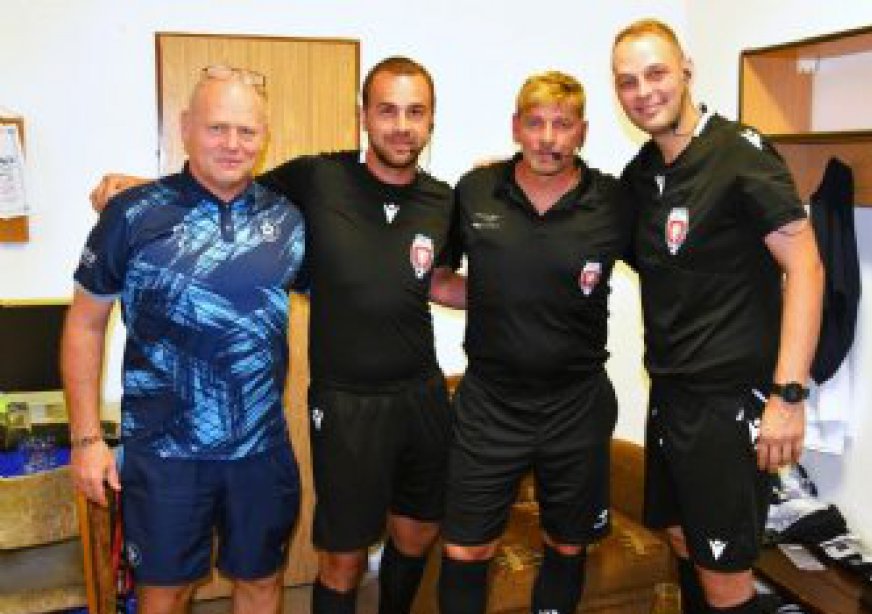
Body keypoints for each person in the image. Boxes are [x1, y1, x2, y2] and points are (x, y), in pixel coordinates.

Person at [89, 56, 457, 614]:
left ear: (431, 120)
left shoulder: (445, 198)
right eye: (387, 111)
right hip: (338, 404)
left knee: (416, 533)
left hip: (416, 395)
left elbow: (440, 279)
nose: (401, 125)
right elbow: (226, 183)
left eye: (415, 112)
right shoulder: (317, 177)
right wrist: (142, 189)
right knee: (341, 557)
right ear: (362, 116)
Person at [63, 66, 308, 614]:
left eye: (247, 131)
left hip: (261, 450)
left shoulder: (288, 219)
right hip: (163, 454)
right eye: (217, 128)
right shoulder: (132, 214)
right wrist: (86, 440)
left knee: (262, 582)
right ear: (185, 128)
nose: (232, 143)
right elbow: (84, 324)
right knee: (164, 593)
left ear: (264, 136)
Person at [612, 19, 824, 613]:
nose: (644, 91)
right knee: (683, 540)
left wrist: (788, 396)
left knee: (725, 576)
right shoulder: (642, 175)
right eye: (628, 81)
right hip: (671, 395)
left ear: (686, 71)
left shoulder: (739, 153)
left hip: (727, 401)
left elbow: (806, 268)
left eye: (656, 73)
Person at [431, 71, 633, 614]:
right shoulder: (475, 190)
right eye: (536, 123)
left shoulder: (613, 201)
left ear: (582, 132)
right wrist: (498, 295)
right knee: (465, 548)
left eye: (562, 125)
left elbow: (669, 270)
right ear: (516, 127)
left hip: (577, 405)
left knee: (566, 545)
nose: (548, 138)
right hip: (490, 405)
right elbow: (437, 277)